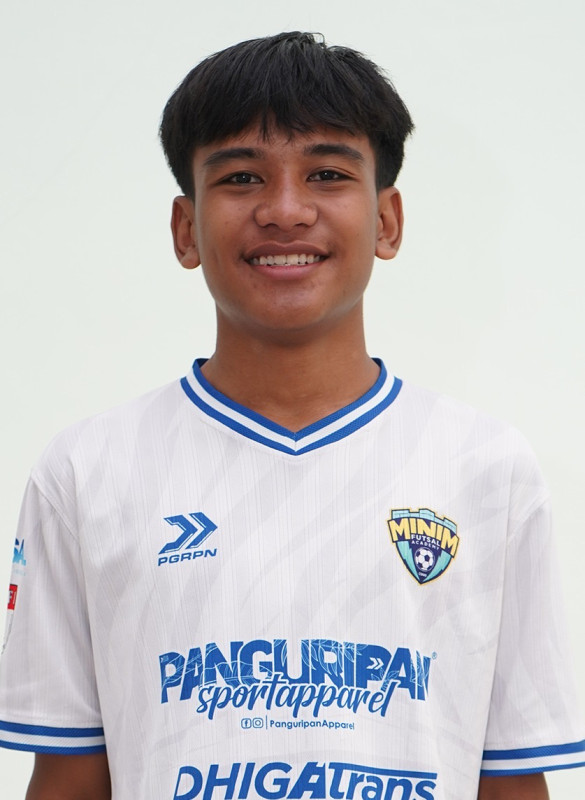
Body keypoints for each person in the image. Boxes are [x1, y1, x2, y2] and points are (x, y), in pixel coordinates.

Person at [0, 31, 582, 800]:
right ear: (185, 228)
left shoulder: (485, 469)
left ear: (386, 221)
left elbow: (509, 782)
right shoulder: (86, 473)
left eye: (327, 174)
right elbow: (69, 780)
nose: (284, 210)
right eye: (241, 177)